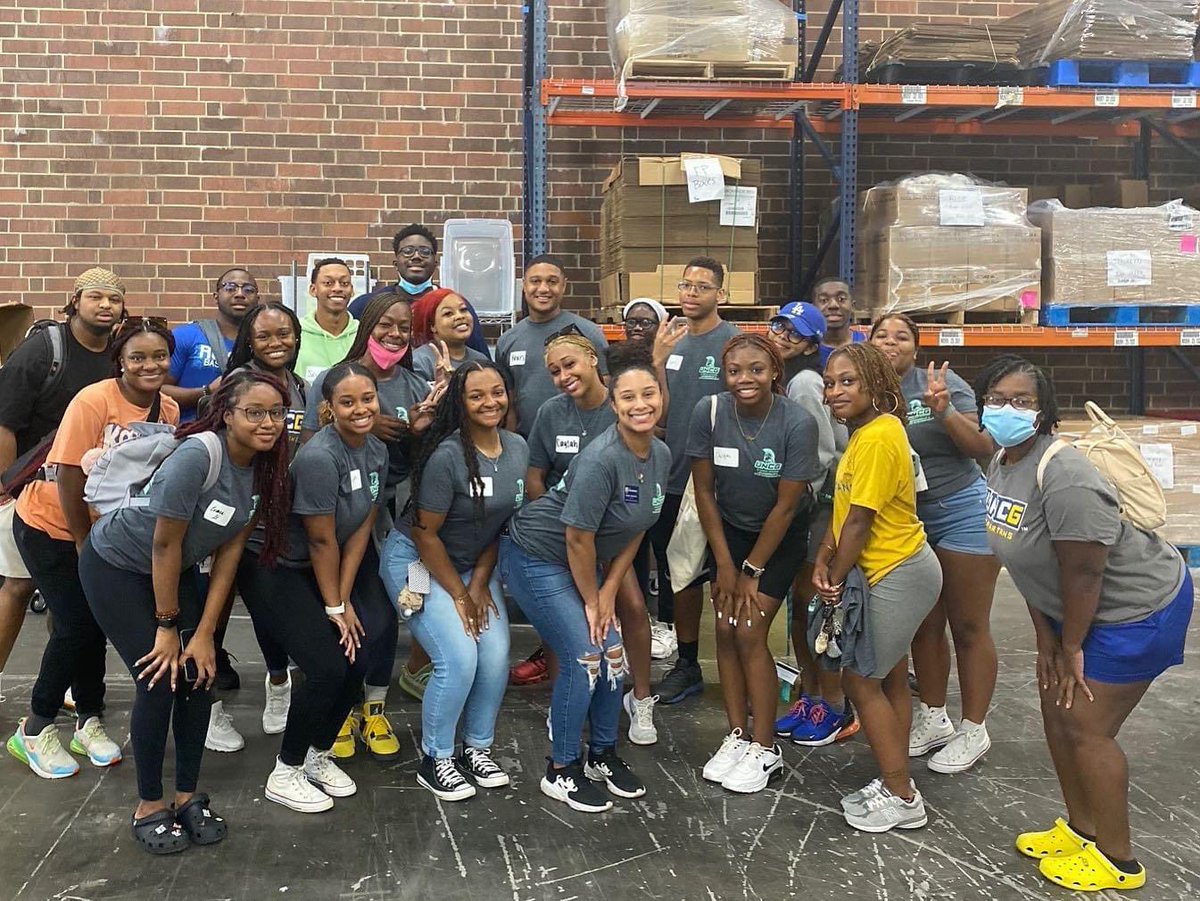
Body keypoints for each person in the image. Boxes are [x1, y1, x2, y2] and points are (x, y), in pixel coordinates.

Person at [977, 355, 1190, 893]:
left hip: (1136, 608)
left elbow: (1085, 571)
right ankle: (1082, 829)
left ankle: (1119, 861)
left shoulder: (1065, 475)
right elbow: (1024, 563)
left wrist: (1071, 644)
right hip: (1071, 608)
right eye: (996, 399)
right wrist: (1047, 639)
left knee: (1087, 728)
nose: (1006, 409)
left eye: (1021, 401)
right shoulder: (1001, 461)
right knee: (1056, 713)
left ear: (1044, 411)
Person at [78, 369, 292, 852]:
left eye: (277, 413)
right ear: (227, 414)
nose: (268, 423)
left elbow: (230, 553)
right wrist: (167, 626)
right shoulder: (198, 456)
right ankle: (149, 804)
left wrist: (205, 634)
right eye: (255, 412)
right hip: (118, 566)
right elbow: (164, 545)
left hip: (178, 570)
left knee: (199, 675)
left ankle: (187, 795)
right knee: (159, 680)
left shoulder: (266, 466)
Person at [7, 317, 181, 780]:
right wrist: (84, 543)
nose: (149, 365)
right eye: (137, 357)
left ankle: (88, 719)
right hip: (51, 526)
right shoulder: (93, 400)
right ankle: (35, 727)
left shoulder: (167, 410)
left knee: (94, 625)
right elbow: (68, 473)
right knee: (76, 625)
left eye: (159, 356)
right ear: (119, 360)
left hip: (110, 536)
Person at [500, 362, 669, 813]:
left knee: (613, 652)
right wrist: (594, 600)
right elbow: (577, 538)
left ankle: (602, 755)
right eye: (628, 397)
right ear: (614, 405)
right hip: (536, 555)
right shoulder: (601, 459)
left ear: (661, 397)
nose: (640, 404)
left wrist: (610, 589)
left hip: (585, 561)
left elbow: (637, 526)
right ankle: (561, 768)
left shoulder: (660, 453)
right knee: (585, 655)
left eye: (649, 393)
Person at [237, 362, 389, 814]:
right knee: (325, 668)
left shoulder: (377, 450)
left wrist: (344, 597)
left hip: (319, 567)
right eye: (348, 402)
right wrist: (335, 607)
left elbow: (361, 527)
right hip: (273, 566)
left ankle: (317, 755)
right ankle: (285, 771)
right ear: (329, 408)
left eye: (367, 399)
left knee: (359, 657)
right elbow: (321, 539)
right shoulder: (320, 457)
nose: (360, 409)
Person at [302, 292, 443, 758]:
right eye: (386, 324)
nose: (395, 334)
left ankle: (375, 704)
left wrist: (416, 432)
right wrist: (362, 426)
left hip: (397, 517)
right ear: (366, 326)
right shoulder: (332, 379)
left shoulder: (417, 385)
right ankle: (340, 706)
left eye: (404, 327)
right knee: (343, 611)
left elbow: (425, 462)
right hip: (340, 518)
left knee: (391, 612)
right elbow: (311, 449)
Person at [380, 362, 526, 800]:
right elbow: (425, 535)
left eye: (497, 392)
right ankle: (436, 757)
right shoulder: (447, 456)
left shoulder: (517, 448)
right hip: (418, 562)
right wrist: (461, 596)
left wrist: (479, 584)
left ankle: (476, 748)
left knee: (495, 655)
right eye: (476, 395)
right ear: (460, 404)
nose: (490, 402)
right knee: (459, 657)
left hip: (473, 566)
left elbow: (499, 525)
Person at [816, 343, 942, 833]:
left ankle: (903, 795)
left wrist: (832, 576)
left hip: (897, 571)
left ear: (875, 383)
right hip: (887, 570)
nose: (835, 391)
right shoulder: (864, 434)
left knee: (860, 679)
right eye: (830, 383)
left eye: (847, 381)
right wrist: (825, 554)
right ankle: (894, 778)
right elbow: (844, 511)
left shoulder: (878, 436)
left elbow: (860, 523)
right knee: (888, 678)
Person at [690, 334, 821, 793]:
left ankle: (766, 748)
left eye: (756, 369)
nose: (744, 379)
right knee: (725, 627)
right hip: (729, 533)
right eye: (734, 371)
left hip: (779, 537)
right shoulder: (709, 412)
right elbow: (704, 491)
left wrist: (751, 570)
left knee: (748, 631)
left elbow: (786, 508)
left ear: (774, 373)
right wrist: (725, 564)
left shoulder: (798, 422)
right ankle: (738, 735)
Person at [871, 314, 999, 774]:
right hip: (907, 520)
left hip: (960, 510)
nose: (890, 343)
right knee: (924, 625)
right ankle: (934, 716)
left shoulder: (938, 384)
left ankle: (974, 728)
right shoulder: (866, 389)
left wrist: (943, 410)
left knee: (968, 625)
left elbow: (983, 447)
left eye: (901, 337)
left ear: (916, 347)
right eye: (881, 335)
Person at [523, 332, 661, 746]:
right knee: (566, 618)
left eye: (570, 364)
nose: (564, 376)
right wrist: (562, 524)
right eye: (555, 371)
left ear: (592, 359)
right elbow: (534, 476)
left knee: (631, 605)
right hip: (569, 533)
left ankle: (640, 697)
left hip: (615, 533)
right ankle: (565, 701)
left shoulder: (623, 405)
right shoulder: (551, 413)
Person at [0, 268, 125, 697]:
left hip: (88, 497)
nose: (105, 305)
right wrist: (7, 488)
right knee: (18, 586)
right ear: (74, 301)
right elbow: (5, 423)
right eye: (96, 296)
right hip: (29, 491)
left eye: (114, 299)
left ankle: (69, 686)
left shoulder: (119, 355)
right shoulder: (44, 350)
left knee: (71, 598)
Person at [646, 256, 741, 704]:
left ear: (721, 294)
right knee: (678, 576)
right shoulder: (672, 339)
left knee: (726, 575)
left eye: (702, 286)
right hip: (673, 478)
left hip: (721, 484)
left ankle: (739, 662)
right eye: (686, 285)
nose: (691, 293)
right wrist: (657, 362)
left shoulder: (733, 343)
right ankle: (687, 664)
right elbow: (659, 415)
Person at [215, 302, 310, 736]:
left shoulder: (300, 385)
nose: (276, 343)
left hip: (281, 516)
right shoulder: (237, 384)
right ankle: (209, 705)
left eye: (284, 333)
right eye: (265, 335)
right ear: (249, 341)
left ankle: (278, 682)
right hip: (237, 514)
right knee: (226, 607)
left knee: (269, 606)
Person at [767, 303, 860, 746]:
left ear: (809, 345)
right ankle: (810, 695)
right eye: (779, 326)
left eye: (795, 333)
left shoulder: (804, 382)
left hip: (816, 508)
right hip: (802, 507)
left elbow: (819, 457)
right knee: (802, 605)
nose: (783, 336)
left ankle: (834, 706)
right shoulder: (782, 378)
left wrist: (794, 506)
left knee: (816, 606)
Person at [617, 298, 674, 661]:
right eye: (632, 322)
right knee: (632, 553)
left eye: (646, 322)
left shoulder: (671, 359)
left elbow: (661, 420)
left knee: (664, 552)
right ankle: (633, 623)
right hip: (625, 472)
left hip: (660, 468)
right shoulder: (617, 360)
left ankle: (664, 623)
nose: (638, 328)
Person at [495, 255, 608, 437]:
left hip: (582, 439)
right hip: (528, 441)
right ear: (524, 285)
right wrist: (512, 444)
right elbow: (510, 404)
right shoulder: (507, 341)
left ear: (564, 286)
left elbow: (605, 392)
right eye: (535, 281)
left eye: (552, 282)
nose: (543, 289)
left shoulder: (588, 333)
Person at [348, 225, 491, 357]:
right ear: (396, 263)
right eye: (407, 251)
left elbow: (481, 360)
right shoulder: (366, 304)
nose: (416, 256)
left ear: (435, 264)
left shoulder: (457, 306)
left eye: (425, 252)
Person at [165, 270, 257, 423]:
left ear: (257, 299)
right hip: (191, 431)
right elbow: (158, 390)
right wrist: (206, 391)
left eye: (248, 289)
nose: (240, 294)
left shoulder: (263, 344)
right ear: (216, 296)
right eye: (230, 288)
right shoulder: (186, 336)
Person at [294, 258, 360, 383]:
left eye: (344, 283)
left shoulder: (363, 334)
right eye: (328, 283)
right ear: (313, 290)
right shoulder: (296, 333)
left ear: (352, 290)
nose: (337, 288)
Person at [410, 288, 491, 383]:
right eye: (448, 313)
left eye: (463, 310)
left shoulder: (480, 359)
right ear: (432, 326)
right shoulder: (420, 361)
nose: (460, 316)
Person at [813, 277, 865, 368]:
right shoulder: (807, 348)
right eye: (824, 300)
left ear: (852, 306)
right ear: (813, 307)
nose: (833, 305)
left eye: (841, 299)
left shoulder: (867, 344)